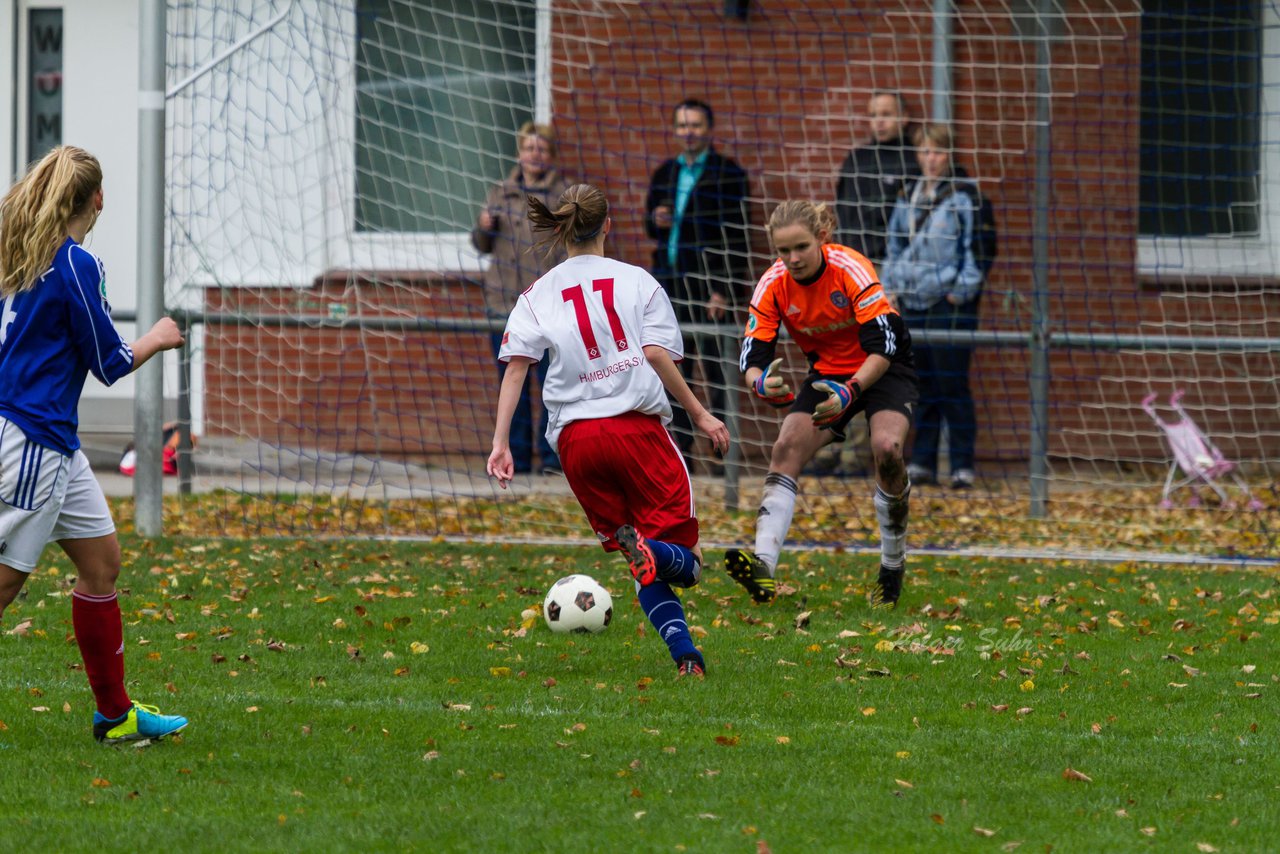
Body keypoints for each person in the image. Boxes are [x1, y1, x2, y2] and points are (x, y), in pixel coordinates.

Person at [486, 183, 730, 676]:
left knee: (640, 559)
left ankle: (687, 658)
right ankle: (656, 556)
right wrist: (701, 415)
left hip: (577, 445)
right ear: (608, 224)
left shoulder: (537, 293)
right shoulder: (638, 281)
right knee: (688, 560)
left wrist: (500, 444)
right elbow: (657, 354)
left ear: (561, 229)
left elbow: (516, 367)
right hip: (636, 433)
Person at [0, 145, 189, 743]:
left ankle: (115, 715)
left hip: (49, 441)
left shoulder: (19, 254)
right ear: (97, 199)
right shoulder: (76, 264)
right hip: (34, 443)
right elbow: (108, 362)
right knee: (5, 584)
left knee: (102, 564)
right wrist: (157, 337)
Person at [727, 201, 919, 608]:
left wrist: (851, 391)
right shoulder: (773, 283)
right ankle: (762, 568)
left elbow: (883, 347)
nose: (792, 259)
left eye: (801, 247)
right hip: (829, 373)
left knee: (887, 450)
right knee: (784, 449)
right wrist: (762, 383)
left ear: (822, 239)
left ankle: (891, 566)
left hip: (883, 367)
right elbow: (751, 358)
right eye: (783, 251)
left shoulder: (851, 268)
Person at [644, 99, 749, 467]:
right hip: (670, 288)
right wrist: (655, 218)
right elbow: (648, 226)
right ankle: (682, 454)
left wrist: (724, 287)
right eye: (682, 125)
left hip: (709, 290)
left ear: (709, 129)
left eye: (696, 125)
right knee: (675, 372)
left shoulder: (728, 174)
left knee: (717, 373)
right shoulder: (665, 173)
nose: (688, 132)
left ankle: (723, 459)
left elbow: (737, 239)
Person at [822, 91, 921, 479]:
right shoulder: (857, 159)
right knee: (837, 356)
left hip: (884, 274)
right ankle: (834, 442)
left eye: (886, 114)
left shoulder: (912, 161)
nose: (878, 121)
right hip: (846, 270)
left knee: (875, 360)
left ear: (904, 117)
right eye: (873, 114)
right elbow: (842, 210)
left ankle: (860, 455)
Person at [882, 123, 986, 489]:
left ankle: (961, 464)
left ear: (949, 154)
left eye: (938, 151)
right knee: (919, 384)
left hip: (948, 304)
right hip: (911, 301)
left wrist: (961, 291)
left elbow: (976, 248)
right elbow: (893, 245)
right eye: (925, 151)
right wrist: (889, 287)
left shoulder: (965, 196)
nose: (931, 159)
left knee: (952, 384)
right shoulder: (907, 194)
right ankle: (923, 460)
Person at [472, 121, 573, 475]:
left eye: (542, 149)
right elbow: (481, 245)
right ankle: (514, 458)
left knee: (551, 386)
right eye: (529, 148)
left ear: (551, 155)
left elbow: (571, 250)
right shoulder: (501, 191)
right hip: (503, 305)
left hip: (548, 308)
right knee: (511, 387)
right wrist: (483, 226)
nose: (535, 155)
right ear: (520, 153)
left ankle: (550, 460)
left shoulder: (564, 195)